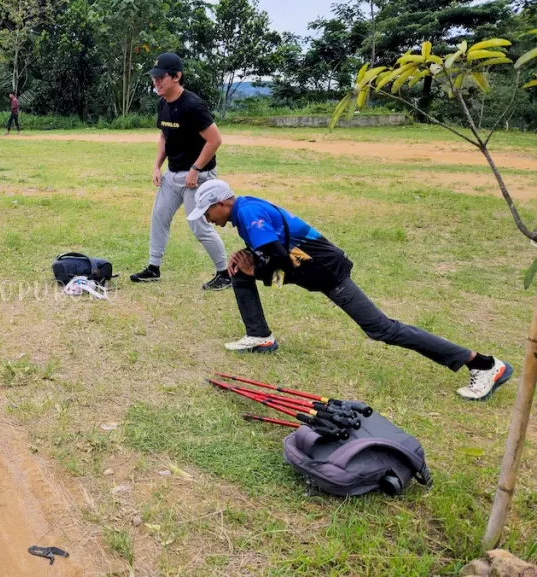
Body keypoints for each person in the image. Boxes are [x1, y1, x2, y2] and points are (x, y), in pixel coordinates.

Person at [190, 179, 514, 401]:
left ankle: (483, 364)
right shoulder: (245, 210)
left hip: (326, 271)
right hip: (310, 269)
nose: (207, 220)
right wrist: (250, 265)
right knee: (240, 272)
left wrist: (257, 268)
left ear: (221, 203)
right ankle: (260, 335)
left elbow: (279, 258)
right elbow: (280, 258)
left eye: (207, 213)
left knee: (382, 329)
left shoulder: (246, 212)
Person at [130, 52, 230, 291]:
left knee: (199, 226)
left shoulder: (192, 105)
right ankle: (153, 268)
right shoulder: (163, 102)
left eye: (160, 77)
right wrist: (156, 165)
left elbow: (214, 140)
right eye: (154, 77)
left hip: (197, 178)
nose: (155, 81)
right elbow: (164, 135)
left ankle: (225, 274)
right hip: (172, 175)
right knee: (159, 217)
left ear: (176, 76)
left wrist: (196, 169)